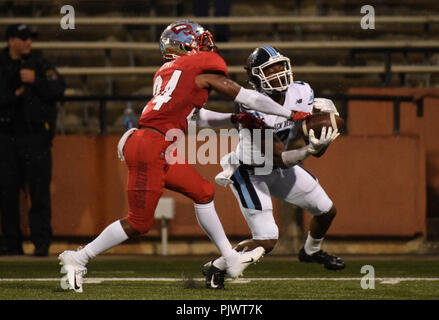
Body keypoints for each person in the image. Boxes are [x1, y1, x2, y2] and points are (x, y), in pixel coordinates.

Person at [58, 21, 310, 293]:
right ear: (185, 45)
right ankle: (79, 257)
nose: (206, 46)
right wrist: (289, 113)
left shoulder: (168, 73)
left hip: (157, 145)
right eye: (200, 41)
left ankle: (229, 257)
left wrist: (232, 117)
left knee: (202, 192)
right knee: (139, 222)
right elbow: (247, 96)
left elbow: (193, 118)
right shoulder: (200, 68)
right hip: (151, 147)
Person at [195, 46, 345, 289]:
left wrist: (323, 131)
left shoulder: (302, 91)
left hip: (281, 168)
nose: (278, 73)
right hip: (251, 173)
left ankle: (311, 251)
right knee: (267, 240)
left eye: (280, 67)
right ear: (256, 77)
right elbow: (277, 157)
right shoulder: (251, 108)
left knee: (326, 211)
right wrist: (310, 150)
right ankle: (217, 266)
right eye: (270, 70)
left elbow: (309, 136)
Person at [0, 24, 65, 257]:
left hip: (36, 137)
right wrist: (14, 95)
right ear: (11, 41)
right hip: (6, 138)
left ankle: (41, 242)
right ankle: (10, 243)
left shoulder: (39, 63)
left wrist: (36, 80)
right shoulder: (2, 64)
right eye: (24, 38)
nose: (28, 42)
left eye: (30, 38)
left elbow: (59, 87)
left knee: (39, 192)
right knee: (7, 193)